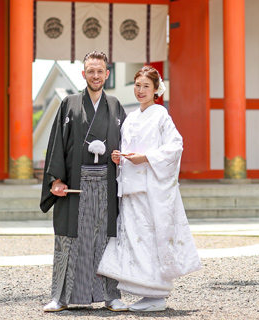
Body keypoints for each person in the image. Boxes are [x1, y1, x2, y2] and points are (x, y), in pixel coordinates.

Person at [97, 66, 202, 312]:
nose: (141, 90)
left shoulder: (161, 115)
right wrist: (119, 158)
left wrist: (145, 157)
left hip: (150, 188)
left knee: (151, 239)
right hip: (131, 188)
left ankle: (157, 294)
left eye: (146, 86)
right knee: (134, 240)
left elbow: (175, 147)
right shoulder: (131, 117)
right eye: (137, 85)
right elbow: (128, 150)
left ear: (156, 90)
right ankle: (146, 293)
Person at [40, 51, 128, 312]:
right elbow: (57, 143)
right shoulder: (69, 103)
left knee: (106, 238)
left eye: (100, 71)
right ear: (84, 74)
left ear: (107, 74)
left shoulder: (115, 106)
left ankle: (111, 295)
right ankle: (61, 296)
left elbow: (127, 143)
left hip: (106, 183)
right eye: (91, 71)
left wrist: (120, 157)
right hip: (76, 184)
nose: (96, 76)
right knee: (70, 239)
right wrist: (57, 179)